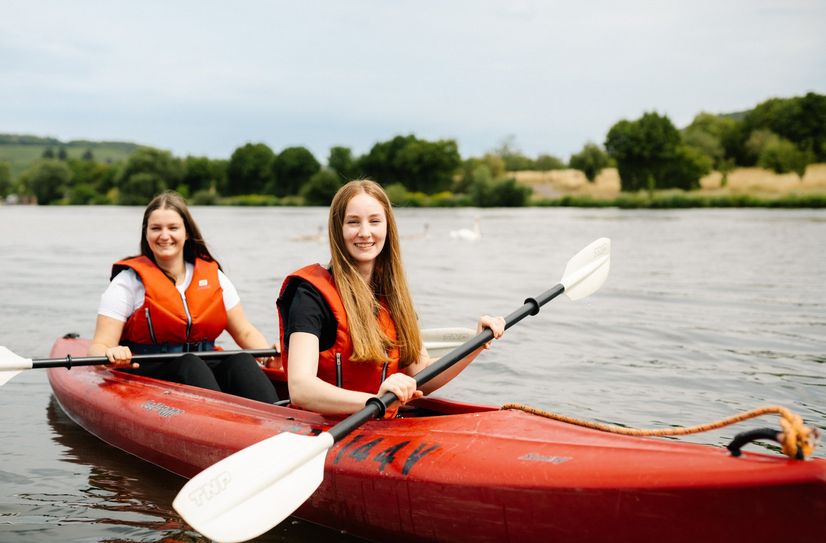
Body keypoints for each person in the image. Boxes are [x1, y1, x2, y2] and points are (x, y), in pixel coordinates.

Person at [277, 179, 505, 416]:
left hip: (382, 423)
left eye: (374, 221)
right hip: (321, 425)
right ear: (338, 229)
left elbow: (421, 376)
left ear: (387, 228)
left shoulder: (393, 296)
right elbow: (301, 389)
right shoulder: (310, 295)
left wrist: (476, 344)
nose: (365, 232)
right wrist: (377, 401)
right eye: (353, 222)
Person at [88, 191, 279, 403]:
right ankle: (214, 417)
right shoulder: (127, 282)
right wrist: (112, 353)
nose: (164, 236)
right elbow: (100, 345)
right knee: (190, 363)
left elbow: (244, 331)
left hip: (202, 365)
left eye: (173, 228)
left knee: (241, 361)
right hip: (148, 370)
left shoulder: (213, 276)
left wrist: (269, 356)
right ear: (146, 234)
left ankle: (276, 416)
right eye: (156, 228)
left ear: (186, 232)